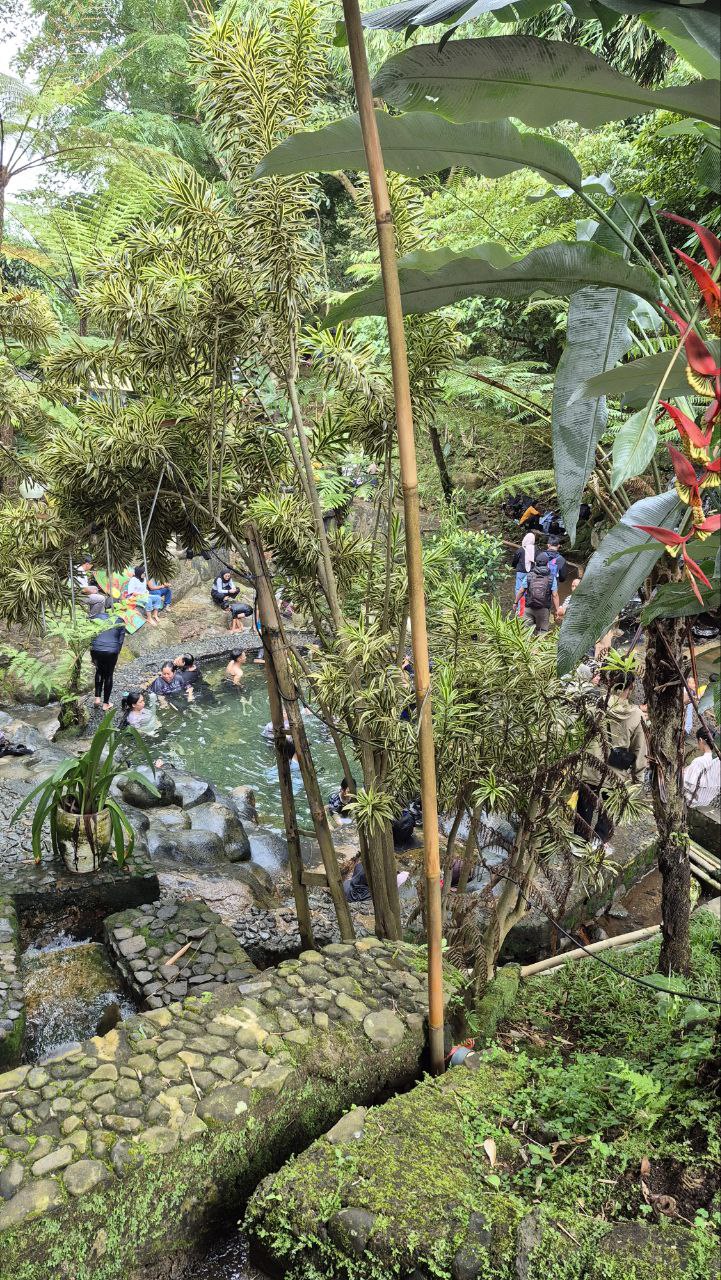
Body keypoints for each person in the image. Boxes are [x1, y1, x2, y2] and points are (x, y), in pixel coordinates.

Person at [575, 671, 647, 850]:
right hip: (615, 773)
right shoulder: (637, 715)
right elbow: (639, 748)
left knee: (584, 807)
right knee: (607, 812)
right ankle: (599, 844)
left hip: (590, 767)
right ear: (630, 688)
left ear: (609, 683)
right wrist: (638, 778)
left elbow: (579, 735)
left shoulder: (595, 705)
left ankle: (578, 844)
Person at [89, 601, 126, 710]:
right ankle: (106, 704)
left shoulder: (94, 618)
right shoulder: (120, 620)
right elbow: (120, 641)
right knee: (109, 675)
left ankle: (97, 699)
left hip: (96, 648)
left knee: (99, 671)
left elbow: (90, 637)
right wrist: (115, 654)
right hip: (112, 649)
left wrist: (92, 655)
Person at [683, 728, 721, 808]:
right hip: (706, 799)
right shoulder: (718, 761)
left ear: (700, 740)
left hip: (692, 800)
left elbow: (685, 784)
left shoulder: (699, 761)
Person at [524, 551, 559, 634]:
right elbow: (555, 595)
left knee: (526, 632)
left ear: (536, 563)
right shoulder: (551, 578)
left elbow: (522, 590)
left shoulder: (529, 575)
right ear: (547, 563)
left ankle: (527, 646)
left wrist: (515, 603)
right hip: (543, 609)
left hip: (529, 607)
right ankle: (539, 646)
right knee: (542, 633)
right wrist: (557, 610)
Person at [513, 532, 535, 612]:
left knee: (520, 590)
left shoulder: (520, 550)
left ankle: (520, 610)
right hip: (532, 573)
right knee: (529, 590)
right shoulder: (536, 550)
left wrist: (514, 567)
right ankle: (528, 609)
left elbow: (515, 560)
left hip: (521, 572)